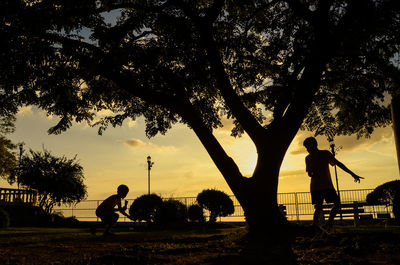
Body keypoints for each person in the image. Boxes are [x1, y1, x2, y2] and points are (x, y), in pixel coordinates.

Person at [303, 137, 363, 232]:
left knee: (322, 206)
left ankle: (323, 224)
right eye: (306, 147)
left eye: (307, 147)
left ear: (313, 145)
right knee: (324, 206)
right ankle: (322, 224)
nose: (307, 149)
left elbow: (310, 173)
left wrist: (353, 174)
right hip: (322, 186)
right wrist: (353, 174)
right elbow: (338, 164)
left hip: (321, 186)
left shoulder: (313, 157)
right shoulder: (319, 155)